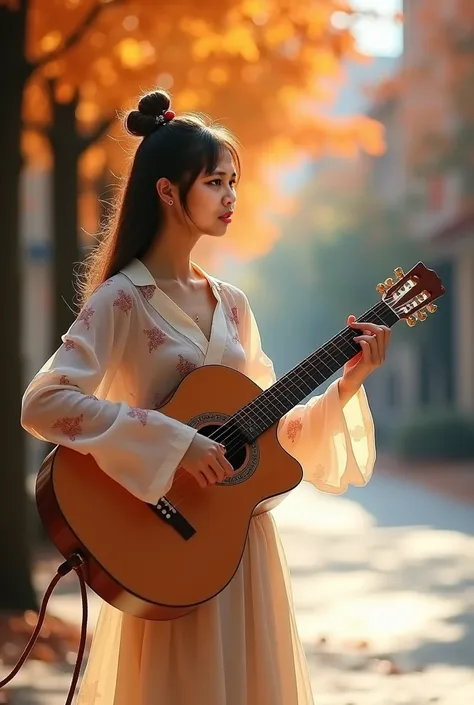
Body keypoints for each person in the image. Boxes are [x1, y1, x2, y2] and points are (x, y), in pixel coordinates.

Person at [21, 88, 391, 705]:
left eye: (234, 183)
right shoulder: (120, 300)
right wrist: (176, 442)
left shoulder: (233, 305)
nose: (230, 198)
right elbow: (45, 402)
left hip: (240, 547)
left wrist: (348, 382)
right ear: (168, 192)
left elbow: (274, 434)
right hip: (171, 547)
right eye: (216, 182)